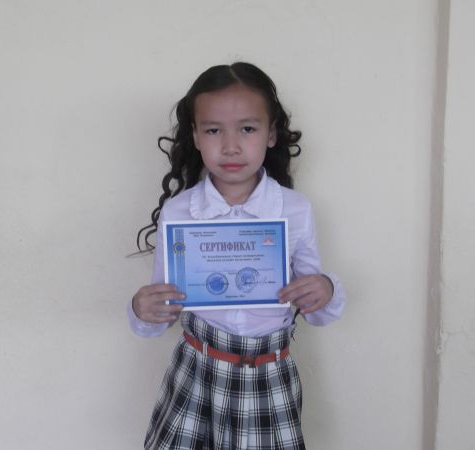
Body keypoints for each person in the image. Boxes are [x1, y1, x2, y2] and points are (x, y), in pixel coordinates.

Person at [129, 62, 346, 450]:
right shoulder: (179, 213)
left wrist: (324, 290)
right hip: (196, 373)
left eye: (247, 129)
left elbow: (317, 310)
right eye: (214, 130)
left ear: (271, 134)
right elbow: (162, 311)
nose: (230, 146)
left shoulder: (295, 209)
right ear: (195, 136)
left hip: (269, 375)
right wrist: (142, 309)